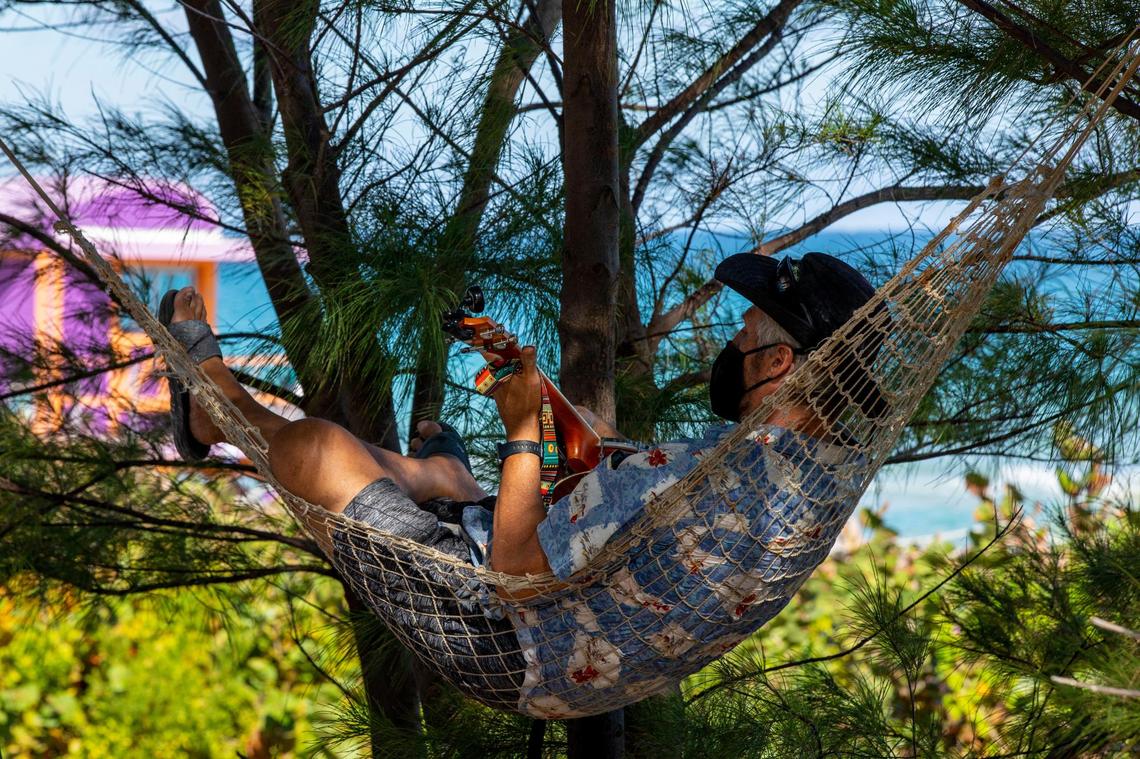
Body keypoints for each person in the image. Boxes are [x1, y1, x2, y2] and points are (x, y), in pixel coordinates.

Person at [159, 251, 880, 717]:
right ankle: (444, 476)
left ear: (779, 363)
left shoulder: (716, 478)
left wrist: (521, 430)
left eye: (745, 332)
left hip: (507, 634)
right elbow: (616, 481)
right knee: (434, 472)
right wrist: (537, 400)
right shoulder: (794, 471)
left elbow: (515, 570)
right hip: (580, 637)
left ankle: (213, 399)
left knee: (314, 449)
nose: (731, 342)